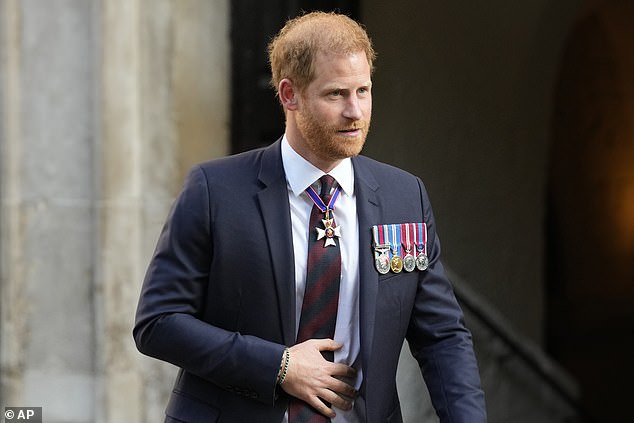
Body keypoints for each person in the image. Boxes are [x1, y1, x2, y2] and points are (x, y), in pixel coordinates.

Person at [134, 11, 486, 423]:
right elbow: (158, 323)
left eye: (363, 90)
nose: (355, 111)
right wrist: (278, 366)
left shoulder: (404, 197)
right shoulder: (215, 191)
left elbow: (441, 337)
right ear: (289, 95)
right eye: (336, 94)